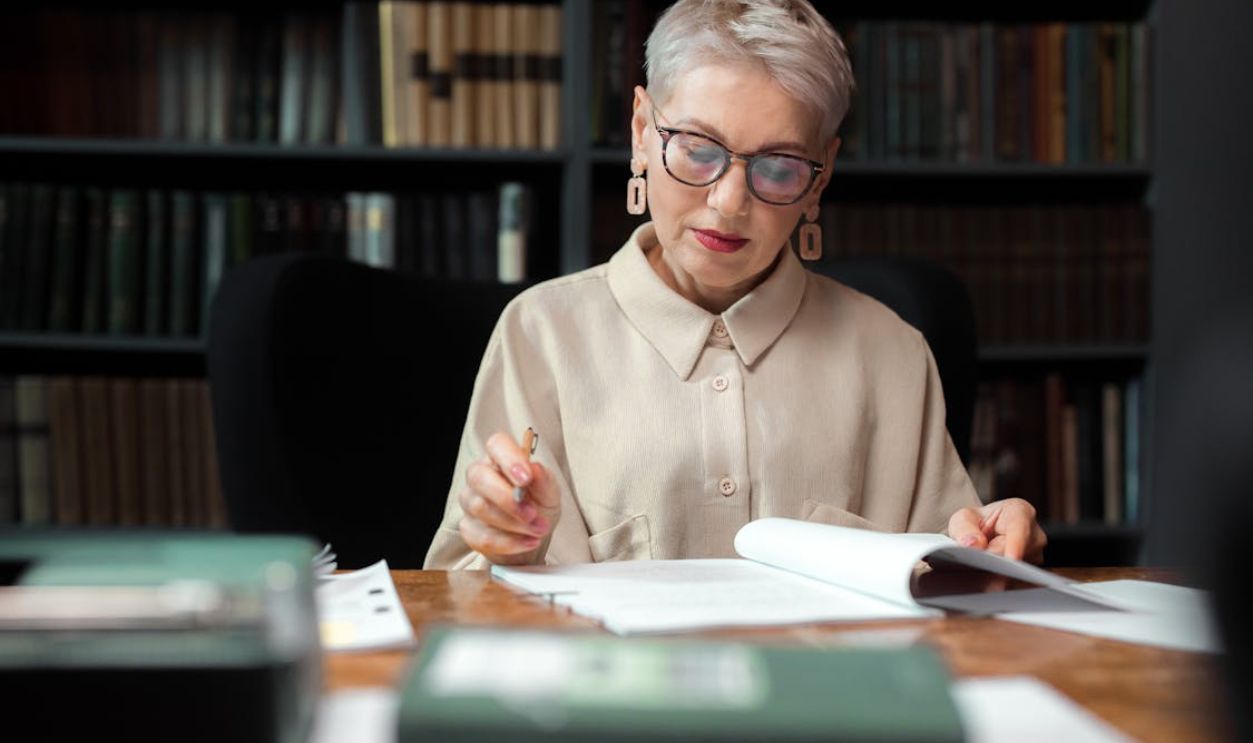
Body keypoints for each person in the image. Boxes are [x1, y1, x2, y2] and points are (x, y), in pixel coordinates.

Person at [425, 0, 1046, 569]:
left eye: (778, 167)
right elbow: (458, 594)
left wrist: (989, 550)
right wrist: (506, 546)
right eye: (697, 149)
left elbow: (945, 583)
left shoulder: (893, 352)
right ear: (642, 130)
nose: (727, 203)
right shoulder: (540, 333)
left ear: (821, 175)